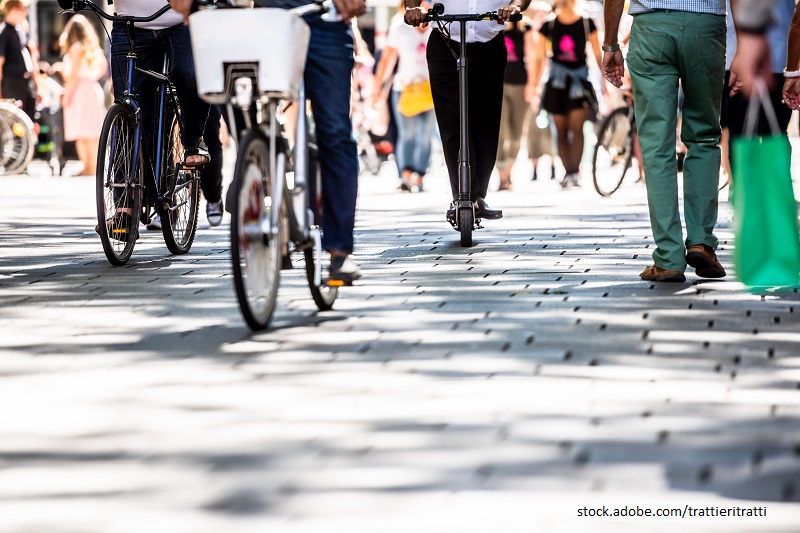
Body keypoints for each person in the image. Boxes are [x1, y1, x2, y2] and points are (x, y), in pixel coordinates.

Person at [173, 0, 366, 284]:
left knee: (334, 132)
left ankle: (339, 252)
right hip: (256, 20)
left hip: (323, 18)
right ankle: (261, 174)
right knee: (240, 108)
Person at [603, 0, 727, 283]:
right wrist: (744, 44)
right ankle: (701, 242)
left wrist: (610, 45)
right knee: (705, 138)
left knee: (657, 147)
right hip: (705, 24)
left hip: (652, 27)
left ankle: (669, 256)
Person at [405, 0, 530, 224]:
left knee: (487, 122)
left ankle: (479, 196)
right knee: (451, 121)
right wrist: (413, 8)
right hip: (445, 40)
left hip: (489, 41)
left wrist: (515, 7)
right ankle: (462, 197)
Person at [110, 0, 222, 231]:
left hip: (179, 23)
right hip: (128, 24)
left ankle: (193, 142)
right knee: (127, 111)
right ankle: (124, 209)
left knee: (189, 74)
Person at [530, 0, 601, 189]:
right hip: (556, 83)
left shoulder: (587, 22)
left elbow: (597, 54)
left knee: (577, 129)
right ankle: (568, 172)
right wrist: (534, 86)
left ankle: (575, 172)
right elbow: (539, 58)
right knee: (560, 131)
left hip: (580, 81)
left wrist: (607, 86)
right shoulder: (549, 25)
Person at [373, 1, 436, 193]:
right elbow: (387, 59)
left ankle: (419, 174)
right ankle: (406, 175)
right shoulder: (400, 27)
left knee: (426, 136)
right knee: (406, 135)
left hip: (431, 90)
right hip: (404, 88)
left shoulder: (437, 25)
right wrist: (377, 87)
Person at [58, 14, 107, 177]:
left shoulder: (75, 47)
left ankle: (87, 167)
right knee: (92, 130)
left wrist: (67, 96)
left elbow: (73, 75)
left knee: (81, 129)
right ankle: (92, 167)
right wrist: (90, 77)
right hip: (92, 88)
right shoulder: (93, 48)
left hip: (79, 90)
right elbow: (103, 68)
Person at [495, 16, 534, 190]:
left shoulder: (525, 29)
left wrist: (532, 86)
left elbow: (533, 58)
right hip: (498, 86)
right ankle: (502, 174)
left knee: (517, 133)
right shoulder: (492, 29)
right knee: (499, 133)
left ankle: (509, 170)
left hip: (521, 85)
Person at [0, 0, 39, 121]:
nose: (26, 13)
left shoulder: (20, 30)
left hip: (26, 81)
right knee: (16, 121)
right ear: (13, 10)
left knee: (30, 119)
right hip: (12, 83)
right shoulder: (4, 32)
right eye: (23, 9)